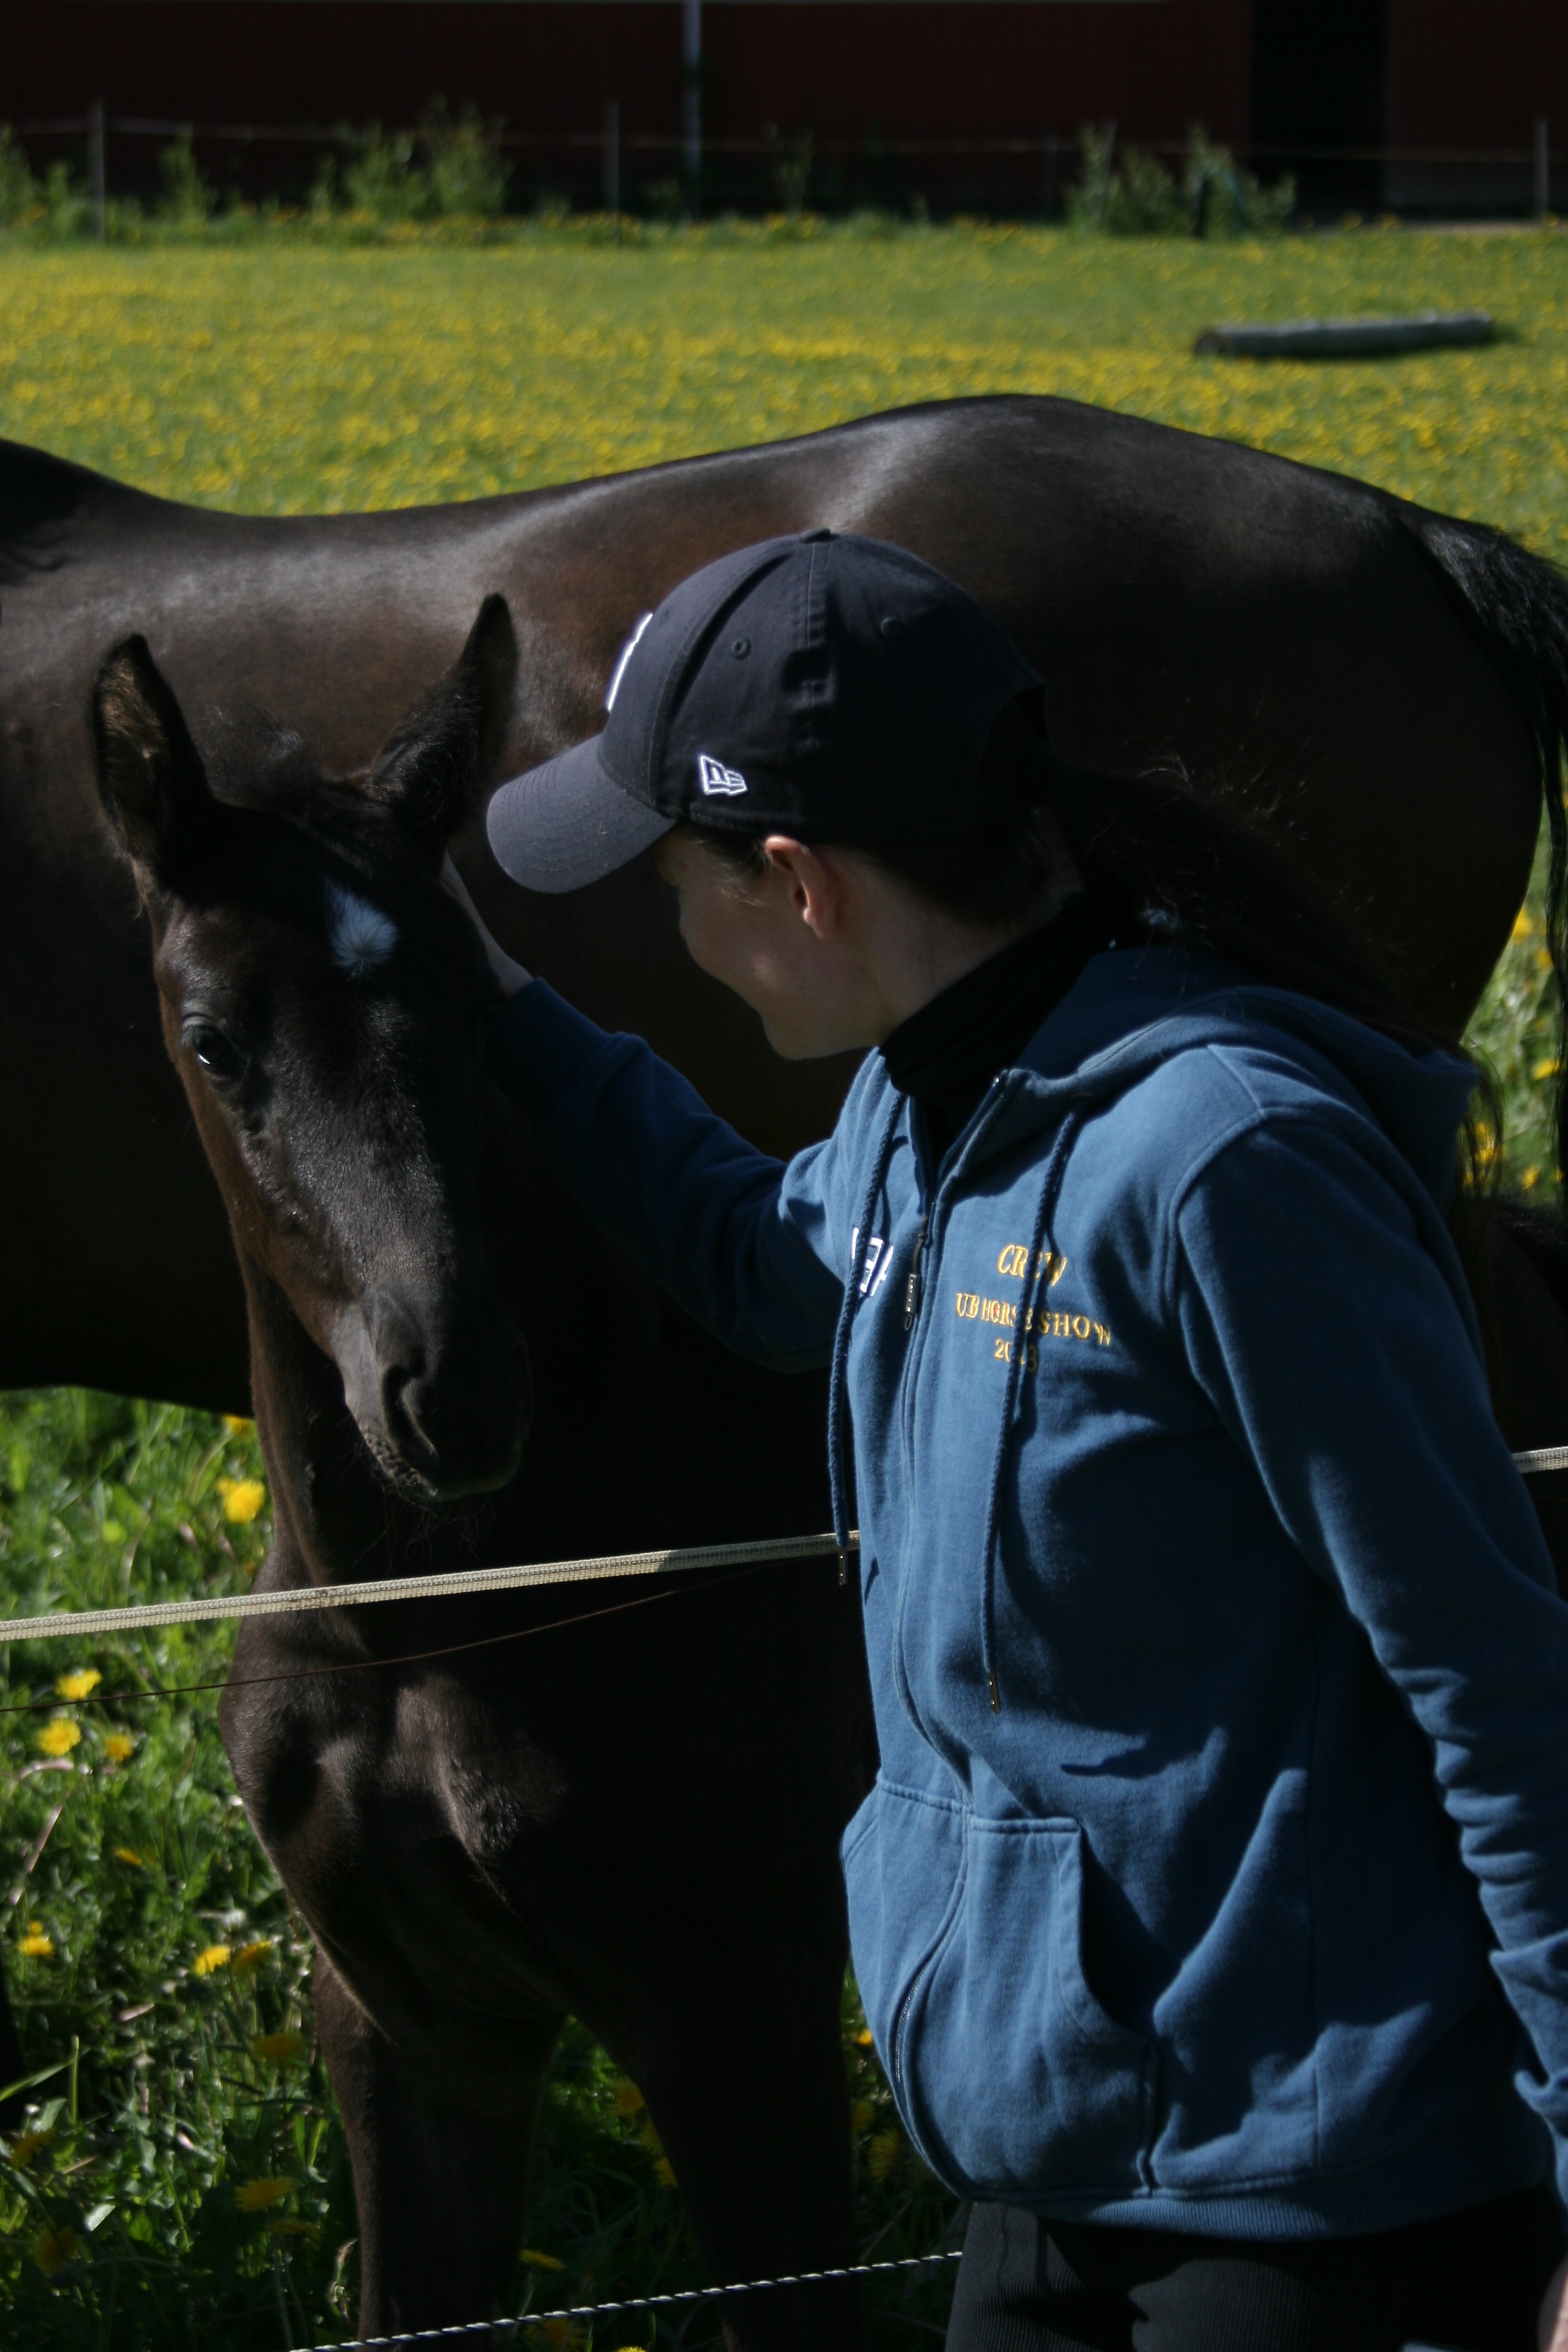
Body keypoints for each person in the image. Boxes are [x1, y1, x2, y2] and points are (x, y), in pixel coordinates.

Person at [454, 530, 1568, 2352]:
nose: (676, 935)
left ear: (797, 883)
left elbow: (1499, 1682)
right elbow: (769, 1260)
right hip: (1054, 2157)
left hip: (1318, 2201)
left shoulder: (1228, 1164)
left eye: (673, 882)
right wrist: (495, 1018)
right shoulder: (931, 1102)